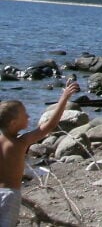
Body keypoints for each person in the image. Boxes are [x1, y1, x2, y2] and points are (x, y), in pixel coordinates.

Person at [1, 78, 80, 227]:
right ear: (13, 123)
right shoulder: (20, 142)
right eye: (25, 114)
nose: (29, 117)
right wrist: (63, 99)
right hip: (10, 195)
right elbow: (49, 125)